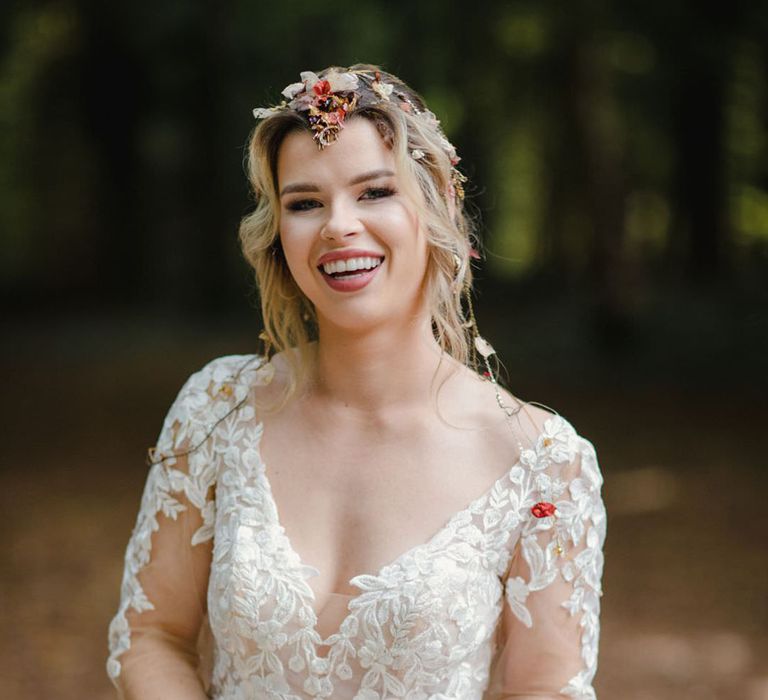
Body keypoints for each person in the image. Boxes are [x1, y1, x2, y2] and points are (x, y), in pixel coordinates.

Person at [106, 64, 607, 700]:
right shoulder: (217, 407)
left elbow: (546, 691)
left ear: (436, 205)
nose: (338, 225)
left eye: (374, 192)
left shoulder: (542, 464)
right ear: (278, 232)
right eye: (305, 203)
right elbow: (151, 637)